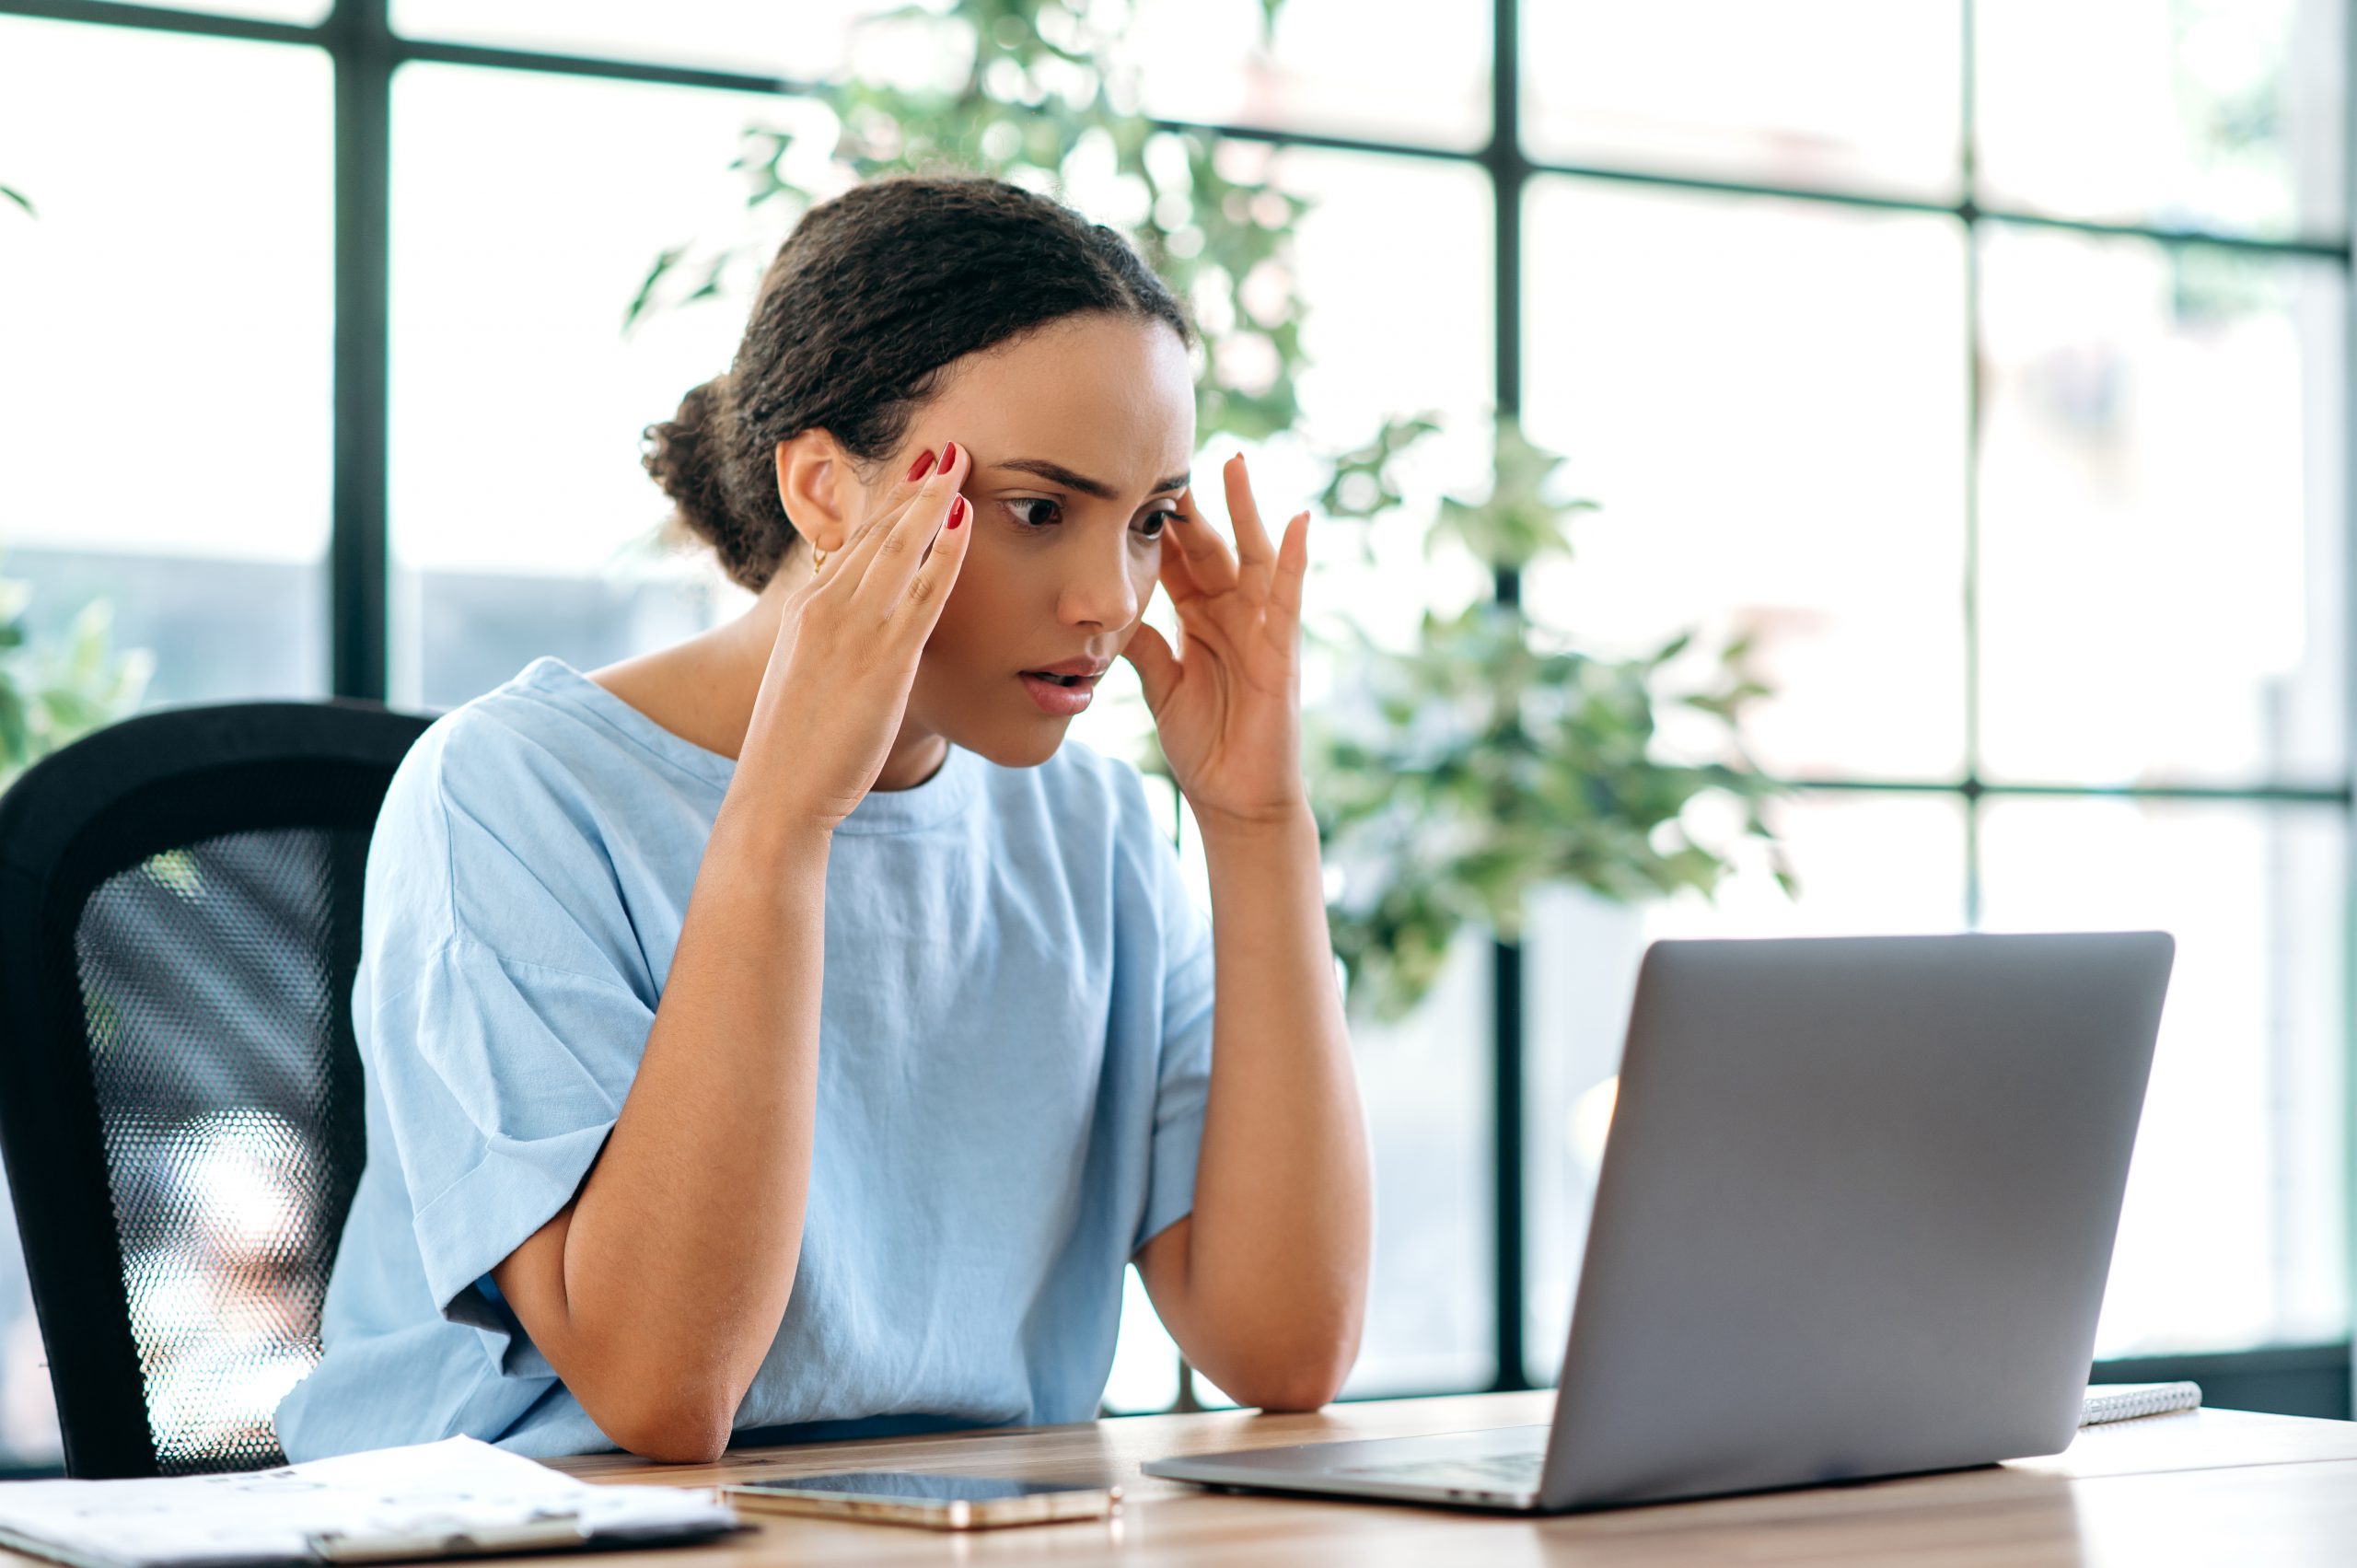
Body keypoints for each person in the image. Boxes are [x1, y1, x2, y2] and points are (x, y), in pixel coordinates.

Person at [273, 172, 1372, 1464]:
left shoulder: (1100, 836)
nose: (1109, 600)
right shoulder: (516, 793)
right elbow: (662, 1392)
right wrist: (786, 818)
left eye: (1147, 523)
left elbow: (1284, 1348)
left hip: (961, 1542)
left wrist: (1257, 826)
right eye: (1038, 511)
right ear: (826, 490)